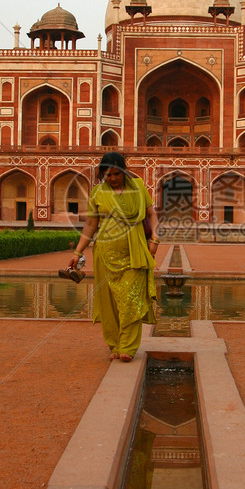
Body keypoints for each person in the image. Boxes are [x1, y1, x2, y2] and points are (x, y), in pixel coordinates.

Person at [67, 151, 159, 361]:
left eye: (117, 174)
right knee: (109, 304)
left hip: (134, 252)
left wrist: (154, 239)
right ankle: (115, 345)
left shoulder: (138, 188)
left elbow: (152, 213)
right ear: (102, 175)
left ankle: (128, 346)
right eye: (108, 175)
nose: (113, 179)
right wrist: (78, 252)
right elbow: (91, 224)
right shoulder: (98, 193)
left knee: (130, 300)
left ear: (124, 172)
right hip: (105, 255)